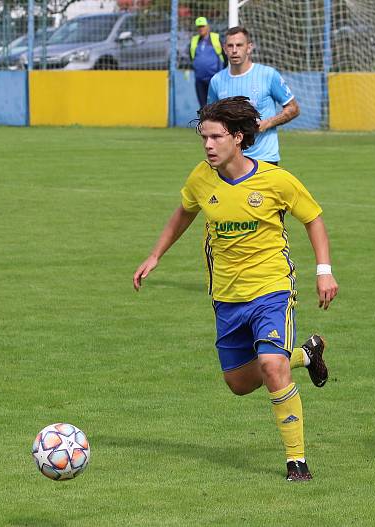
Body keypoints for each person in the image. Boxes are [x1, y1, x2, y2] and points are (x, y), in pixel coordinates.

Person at [133, 96, 338, 481]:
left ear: (238, 138)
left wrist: (323, 271)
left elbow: (314, 219)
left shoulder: (276, 180)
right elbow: (184, 212)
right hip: (226, 295)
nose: (208, 145)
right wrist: (155, 255)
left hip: (272, 289)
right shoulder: (200, 178)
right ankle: (307, 355)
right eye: (203, 137)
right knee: (239, 383)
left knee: (271, 366)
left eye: (215, 137)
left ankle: (297, 461)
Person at [208, 26, 299, 165]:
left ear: (249, 47)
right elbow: (211, 118)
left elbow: (293, 108)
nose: (234, 50)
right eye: (230, 46)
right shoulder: (216, 81)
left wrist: (267, 123)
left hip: (264, 159)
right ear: (224, 49)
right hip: (230, 160)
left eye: (239, 45)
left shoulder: (268, 75)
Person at [190, 17, 225, 108]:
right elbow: (191, 56)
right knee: (203, 106)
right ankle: (204, 122)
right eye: (199, 26)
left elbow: (224, 56)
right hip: (199, 78)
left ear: (208, 26)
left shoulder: (215, 38)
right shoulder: (195, 40)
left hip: (213, 78)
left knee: (215, 105)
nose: (201, 28)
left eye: (203, 26)